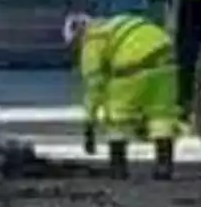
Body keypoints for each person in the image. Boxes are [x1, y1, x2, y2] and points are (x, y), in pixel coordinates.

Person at [63, 12, 180, 181]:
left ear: (78, 33)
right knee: (161, 116)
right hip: (166, 63)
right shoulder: (116, 24)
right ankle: (164, 166)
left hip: (132, 68)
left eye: (75, 46)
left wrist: (89, 123)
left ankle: (118, 168)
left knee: (117, 118)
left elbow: (95, 86)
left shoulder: (93, 39)